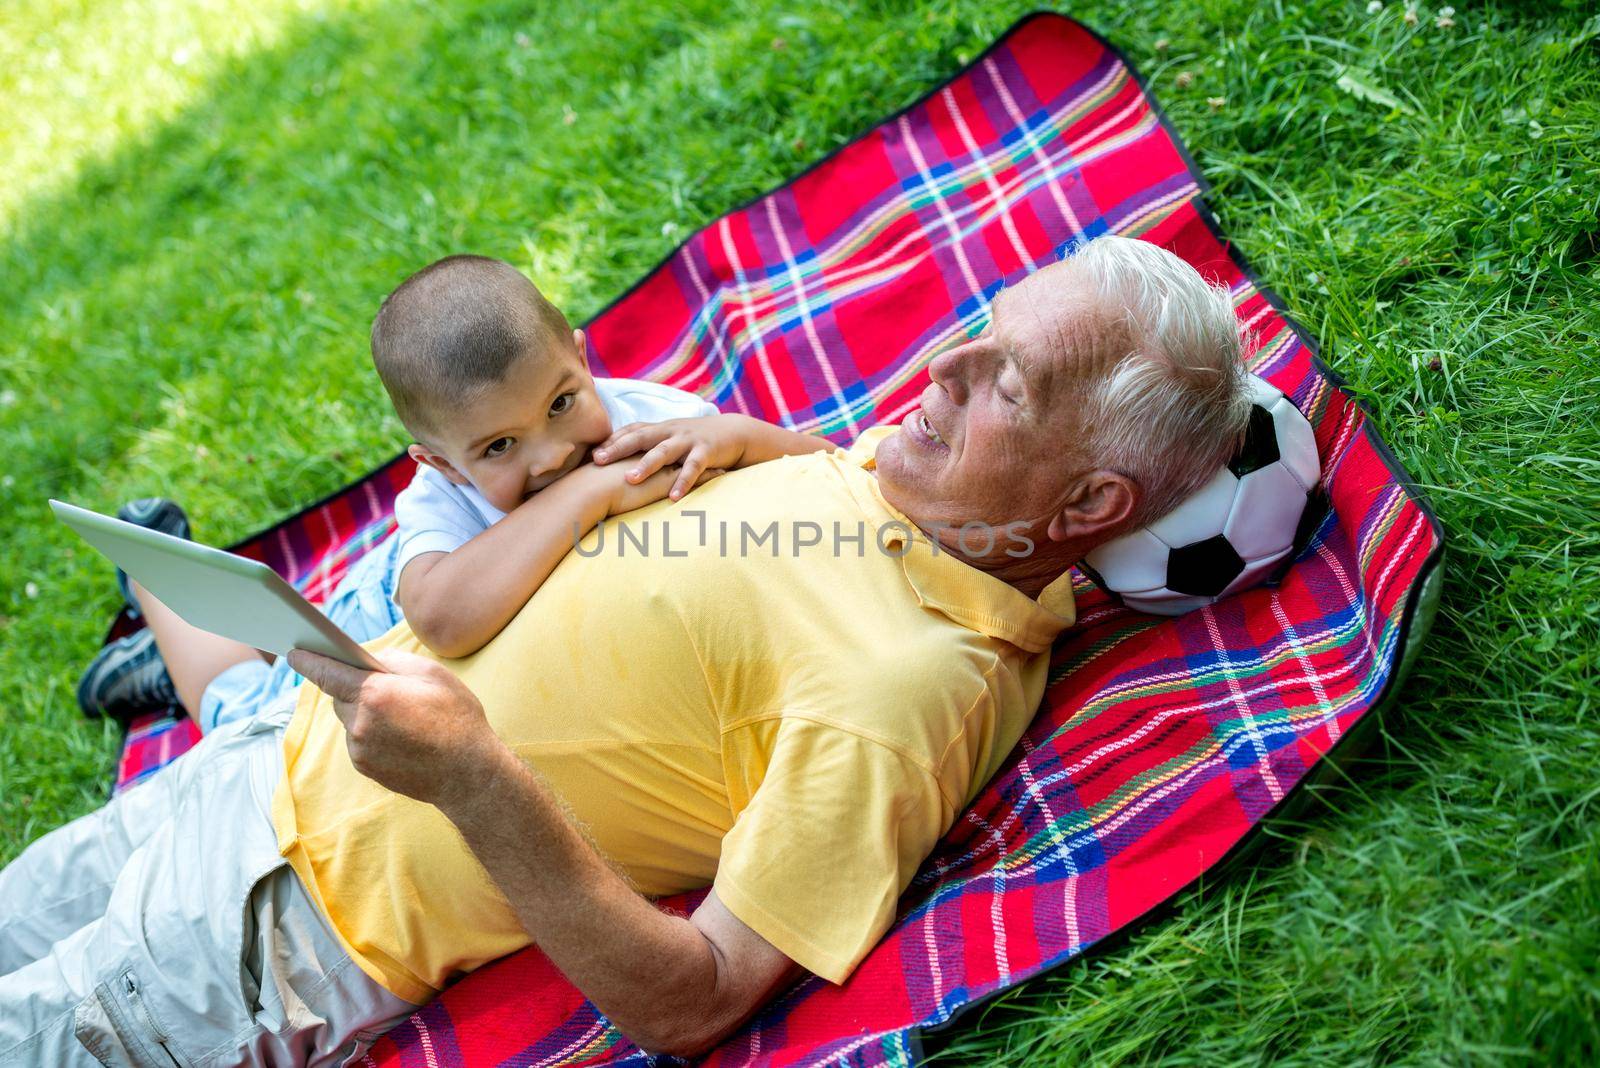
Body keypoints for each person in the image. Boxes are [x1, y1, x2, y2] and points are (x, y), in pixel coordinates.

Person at [0, 236, 1254, 1065]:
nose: (938, 367)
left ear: (1085, 512)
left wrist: (475, 777)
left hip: (282, 924)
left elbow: (695, 997)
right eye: (974, 329)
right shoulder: (895, 470)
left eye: (1004, 386)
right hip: (270, 747)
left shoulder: (915, 682)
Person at [75, 255, 834, 731]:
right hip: (373, 625)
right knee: (239, 706)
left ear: (581, 356)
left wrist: (740, 436)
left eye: (562, 402)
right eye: (498, 448)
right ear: (438, 463)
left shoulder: (655, 421)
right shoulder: (439, 506)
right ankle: (157, 580)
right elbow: (442, 621)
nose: (551, 456)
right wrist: (591, 496)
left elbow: (822, 470)